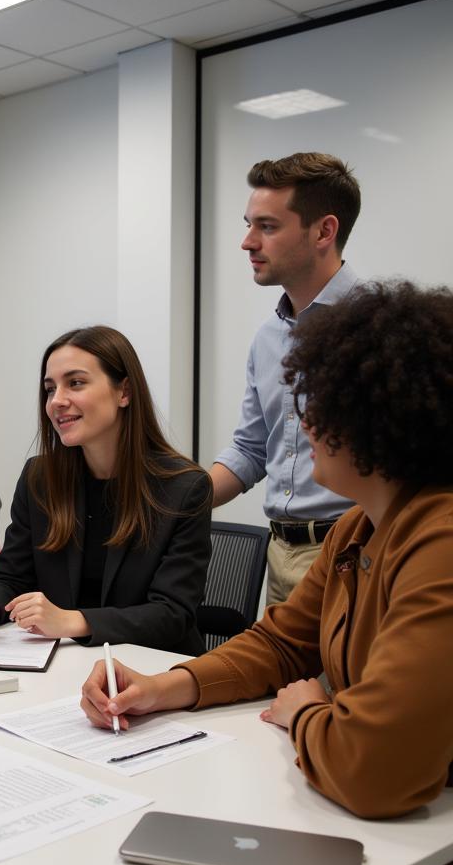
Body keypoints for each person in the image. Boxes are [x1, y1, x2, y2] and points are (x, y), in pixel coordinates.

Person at [82, 281, 453, 820]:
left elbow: (374, 771)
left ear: (377, 416)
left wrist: (306, 712)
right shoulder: (357, 528)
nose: (302, 425)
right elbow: (279, 643)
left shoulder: (439, 542)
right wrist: (162, 688)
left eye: (318, 404)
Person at [0, 325, 212, 657]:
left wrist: (73, 621)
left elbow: (172, 614)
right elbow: (12, 577)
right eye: (49, 389)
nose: (56, 401)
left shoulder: (185, 488)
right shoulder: (40, 478)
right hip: (66, 666)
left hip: (153, 669)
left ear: (124, 392)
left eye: (75, 383)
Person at [210, 152, 362, 605]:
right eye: (248, 224)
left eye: (267, 227)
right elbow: (252, 449)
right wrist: (174, 504)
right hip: (281, 554)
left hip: (356, 555)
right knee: (279, 679)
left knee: (347, 680)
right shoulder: (268, 338)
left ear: (324, 231)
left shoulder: (380, 328)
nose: (247, 242)